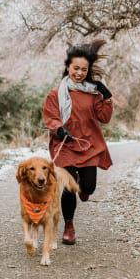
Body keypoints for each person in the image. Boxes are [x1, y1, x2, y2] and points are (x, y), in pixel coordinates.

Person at [42, 39, 113, 245]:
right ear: (67, 67)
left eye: (84, 69)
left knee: (88, 187)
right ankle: (69, 226)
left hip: (89, 145)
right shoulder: (56, 94)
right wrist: (59, 128)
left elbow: (104, 117)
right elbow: (51, 117)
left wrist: (106, 97)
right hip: (65, 145)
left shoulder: (93, 92)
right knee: (67, 188)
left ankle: (84, 188)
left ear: (88, 69)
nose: (79, 73)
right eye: (75, 68)